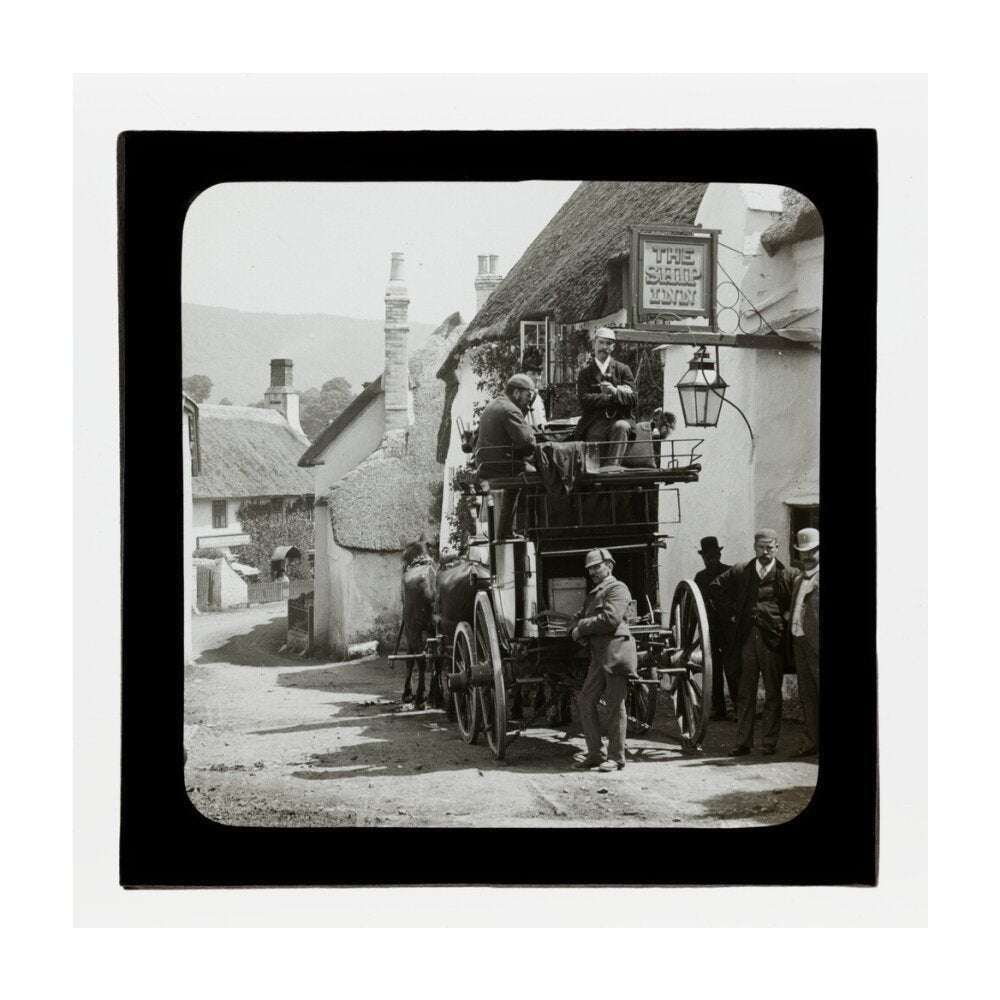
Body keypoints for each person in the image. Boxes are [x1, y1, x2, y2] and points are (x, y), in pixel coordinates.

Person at [708, 528, 795, 757]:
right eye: (761, 547)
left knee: (773, 692)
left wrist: (786, 616)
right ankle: (743, 742)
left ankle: (768, 743)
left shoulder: (787, 573)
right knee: (745, 692)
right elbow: (715, 587)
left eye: (770, 547)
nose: (765, 552)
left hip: (772, 640)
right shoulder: (741, 570)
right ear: (754, 548)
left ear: (777, 547)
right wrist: (732, 612)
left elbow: (795, 601)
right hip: (746, 639)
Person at [569, 548, 638, 772]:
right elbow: (580, 616)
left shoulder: (617, 588)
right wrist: (575, 627)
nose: (593, 572)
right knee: (585, 700)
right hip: (599, 656)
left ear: (609, 565)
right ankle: (595, 754)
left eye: (597, 567)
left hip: (616, 652)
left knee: (615, 705)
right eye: (589, 569)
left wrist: (581, 628)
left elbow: (610, 619)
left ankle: (617, 757)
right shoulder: (595, 592)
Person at [473, 373, 537, 540]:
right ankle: (531, 530)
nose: (529, 400)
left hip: (489, 463)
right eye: (528, 395)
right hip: (501, 465)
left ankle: (505, 532)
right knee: (542, 474)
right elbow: (527, 443)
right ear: (516, 393)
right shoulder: (510, 409)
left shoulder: (496, 403)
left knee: (520, 479)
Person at [572, 327, 636, 466]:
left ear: (613, 347)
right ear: (594, 344)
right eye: (601, 343)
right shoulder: (585, 373)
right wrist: (613, 397)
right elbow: (584, 401)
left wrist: (614, 391)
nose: (604, 347)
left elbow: (633, 399)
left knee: (622, 426)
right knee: (593, 438)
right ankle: (594, 474)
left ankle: (612, 469)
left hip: (618, 419)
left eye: (608, 344)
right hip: (595, 422)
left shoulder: (623, 370)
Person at [693, 536, 735, 721]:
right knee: (713, 671)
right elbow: (695, 606)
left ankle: (740, 707)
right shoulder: (700, 578)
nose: (711, 560)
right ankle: (718, 709)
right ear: (703, 558)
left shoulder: (730, 573)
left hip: (729, 631)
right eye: (707, 557)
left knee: (733, 670)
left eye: (713, 556)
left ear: (719, 554)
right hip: (710, 631)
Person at [788, 528, 820, 757]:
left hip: (818, 645)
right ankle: (811, 741)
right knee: (807, 696)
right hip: (800, 644)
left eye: (812, 551)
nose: (807, 557)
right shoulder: (798, 580)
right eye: (803, 553)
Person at [520, 347, 548, 434]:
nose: (537, 377)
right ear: (523, 374)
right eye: (533, 374)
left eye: (539, 374)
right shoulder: (519, 396)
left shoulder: (536, 396)